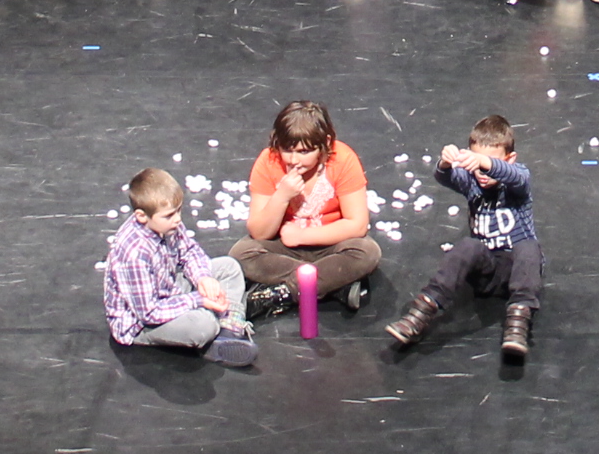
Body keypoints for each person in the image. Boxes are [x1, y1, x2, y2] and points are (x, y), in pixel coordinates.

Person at [386, 114, 542, 359]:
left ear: (509, 159)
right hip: (485, 272)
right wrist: (446, 162)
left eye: (490, 164)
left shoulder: (517, 179)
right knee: (469, 245)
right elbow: (443, 176)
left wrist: (485, 162)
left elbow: (517, 177)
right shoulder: (471, 181)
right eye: (477, 164)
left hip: (516, 270)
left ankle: (518, 322)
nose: (483, 172)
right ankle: (421, 313)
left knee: (529, 247)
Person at [232, 98, 382, 317]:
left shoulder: (343, 159)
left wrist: (302, 236)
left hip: (331, 242)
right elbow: (259, 232)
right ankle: (334, 285)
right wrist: (282, 196)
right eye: (287, 150)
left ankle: (283, 293)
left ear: (325, 143)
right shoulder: (269, 161)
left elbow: (357, 225)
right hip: (284, 245)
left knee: (367, 252)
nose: (294, 160)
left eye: (304, 152)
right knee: (241, 253)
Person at [103, 168, 257, 367]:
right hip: (141, 323)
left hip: (169, 289)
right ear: (141, 216)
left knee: (229, 267)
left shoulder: (167, 224)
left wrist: (203, 278)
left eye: (179, 210)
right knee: (204, 325)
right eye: (169, 215)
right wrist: (199, 300)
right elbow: (149, 313)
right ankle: (220, 327)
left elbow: (189, 251)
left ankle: (227, 331)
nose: (177, 219)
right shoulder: (134, 254)